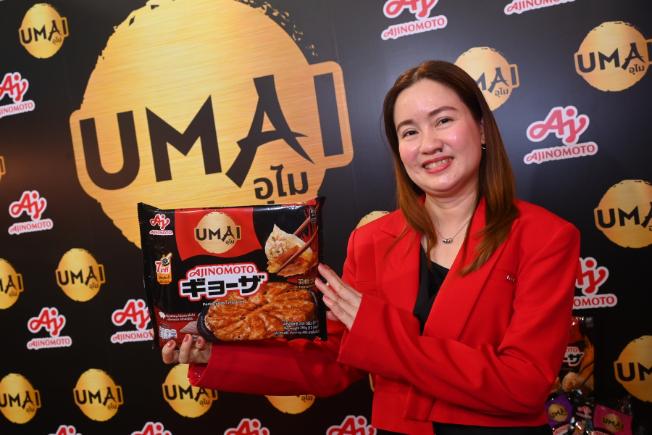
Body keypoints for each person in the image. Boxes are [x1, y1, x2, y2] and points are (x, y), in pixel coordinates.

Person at [162, 60, 580, 435]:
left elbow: (523, 384)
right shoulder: (373, 241)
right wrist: (215, 355)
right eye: (410, 132)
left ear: (482, 128)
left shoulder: (544, 237)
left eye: (443, 120)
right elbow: (332, 364)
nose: (428, 144)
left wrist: (380, 333)